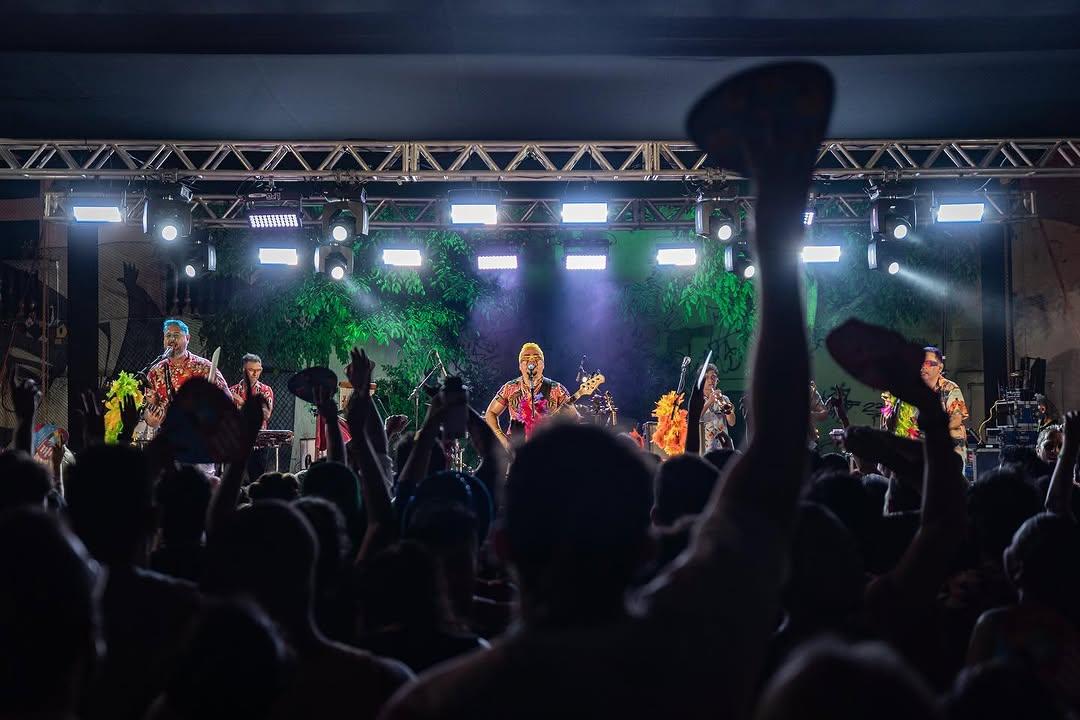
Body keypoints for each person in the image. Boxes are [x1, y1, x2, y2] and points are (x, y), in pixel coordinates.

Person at [484, 342, 578, 449]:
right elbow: (490, 413)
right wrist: (504, 441)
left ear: (543, 365)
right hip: (516, 450)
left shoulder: (557, 389)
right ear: (520, 366)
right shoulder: (509, 387)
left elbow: (573, 417)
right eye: (526, 358)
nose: (531, 361)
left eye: (536, 358)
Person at [143, 319, 230, 428]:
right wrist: (152, 418)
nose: (172, 339)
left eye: (176, 335)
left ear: (187, 338)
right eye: (168, 335)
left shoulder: (205, 367)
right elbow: (149, 415)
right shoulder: (155, 372)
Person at [229, 353, 275, 479]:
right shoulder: (232, 391)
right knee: (233, 480)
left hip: (258, 443)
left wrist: (243, 403)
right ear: (243, 370)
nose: (255, 374)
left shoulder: (265, 390)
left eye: (258, 370)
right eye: (251, 370)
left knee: (257, 480)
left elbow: (266, 415)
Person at [700, 363, 736, 451]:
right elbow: (694, 419)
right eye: (706, 377)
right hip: (705, 449)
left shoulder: (724, 399)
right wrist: (709, 402)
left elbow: (732, 423)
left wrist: (726, 409)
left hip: (723, 448)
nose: (710, 380)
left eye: (713, 377)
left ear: (717, 380)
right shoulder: (696, 401)